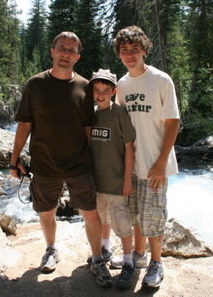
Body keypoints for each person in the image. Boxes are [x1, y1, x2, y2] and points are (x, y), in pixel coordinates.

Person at [9, 31, 112, 288]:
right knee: (46, 212)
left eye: (71, 50)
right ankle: (51, 248)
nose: (66, 54)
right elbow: (25, 124)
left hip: (80, 164)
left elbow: (89, 127)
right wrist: (14, 159)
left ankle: (98, 259)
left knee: (91, 213)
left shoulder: (86, 87)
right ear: (52, 51)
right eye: (62, 48)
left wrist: (97, 160)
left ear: (77, 57)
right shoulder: (35, 84)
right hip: (44, 164)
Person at [111, 25, 180, 289]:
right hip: (132, 165)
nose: (130, 55)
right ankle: (137, 258)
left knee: (154, 217)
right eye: (125, 50)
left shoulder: (162, 80)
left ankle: (157, 262)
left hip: (155, 165)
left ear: (144, 50)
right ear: (119, 54)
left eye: (135, 50)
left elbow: (172, 122)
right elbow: (120, 124)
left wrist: (162, 162)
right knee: (135, 216)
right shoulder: (122, 84)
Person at [89, 68, 136, 289]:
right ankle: (105, 249)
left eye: (105, 90)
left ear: (113, 91)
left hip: (117, 182)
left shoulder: (119, 113)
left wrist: (127, 179)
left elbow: (129, 146)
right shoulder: (92, 114)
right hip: (97, 182)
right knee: (102, 218)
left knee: (123, 224)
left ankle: (128, 263)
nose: (100, 94)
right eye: (97, 90)